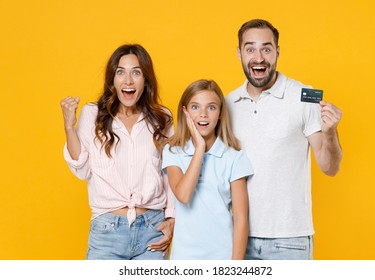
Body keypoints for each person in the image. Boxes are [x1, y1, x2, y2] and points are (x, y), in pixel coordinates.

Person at [226, 19, 343, 260]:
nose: (259, 58)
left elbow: (330, 168)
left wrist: (330, 132)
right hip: (236, 236)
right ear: (239, 53)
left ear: (277, 52)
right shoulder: (228, 103)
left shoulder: (304, 96)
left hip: (290, 240)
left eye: (266, 49)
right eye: (250, 49)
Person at [60, 44, 175, 260]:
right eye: (121, 72)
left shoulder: (162, 119)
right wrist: (69, 127)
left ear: (146, 80)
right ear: (112, 79)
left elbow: (170, 173)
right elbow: (81, 169)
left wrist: (171, 219)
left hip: (152, 231)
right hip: (107, 233)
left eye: (136, 72)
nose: (128, 80)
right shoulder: (92, 114)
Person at [162, 79, 253, 260]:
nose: (203, 114)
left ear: (220, 113)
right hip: (184, 258)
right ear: (185, 112)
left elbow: (241, 219)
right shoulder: (173, 151)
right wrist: (199, 149)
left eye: (211, 107)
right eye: (195, 107)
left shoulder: (234, 156)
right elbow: (183, 195)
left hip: (222, 256)